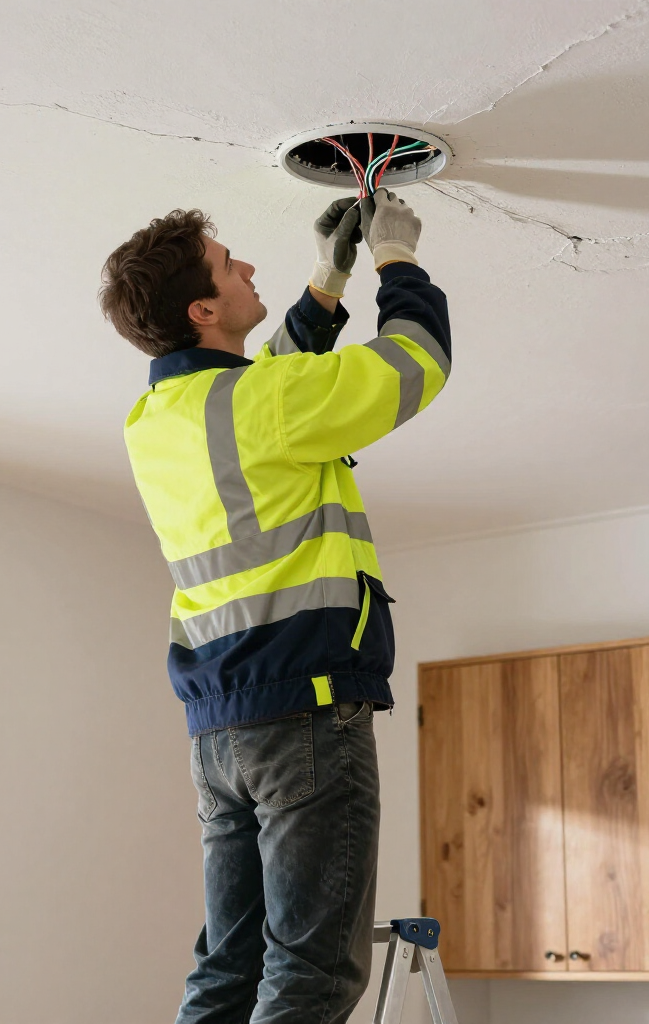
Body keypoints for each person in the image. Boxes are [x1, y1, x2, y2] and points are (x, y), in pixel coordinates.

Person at [98, 190, 451, 1023]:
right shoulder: (261, 407)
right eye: (229, 264)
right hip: (306, 718)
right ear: (204, 307)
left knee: (232, 968)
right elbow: (415, 360)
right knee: (311, 975)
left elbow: (265, 393)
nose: (247, 264)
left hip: (220, 732)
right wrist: (395, 258)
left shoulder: (155, 419)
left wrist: (327, 281)